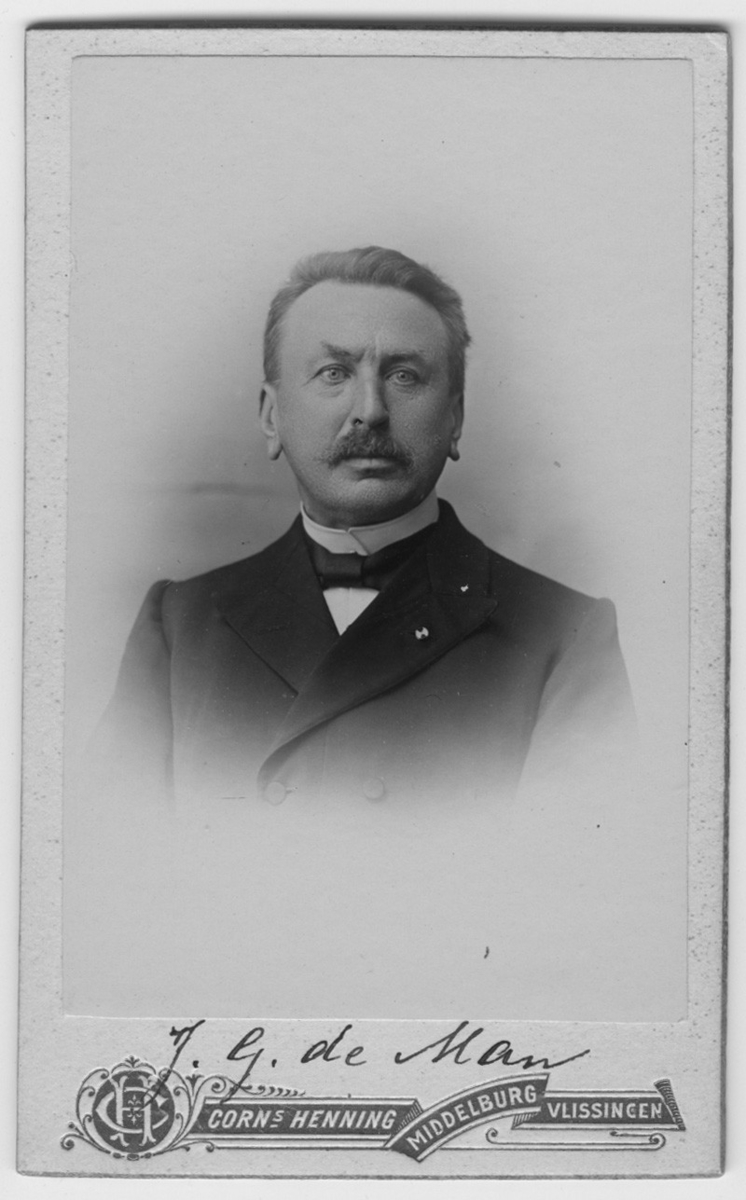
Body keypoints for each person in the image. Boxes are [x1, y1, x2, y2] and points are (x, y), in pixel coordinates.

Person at [93, 246, 634, 812]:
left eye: (404, 376)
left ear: (455, 419)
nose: (370, 411)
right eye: (334, 373)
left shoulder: (565, 637)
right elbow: (117, 849)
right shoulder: (178, 626)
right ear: (272, 417)